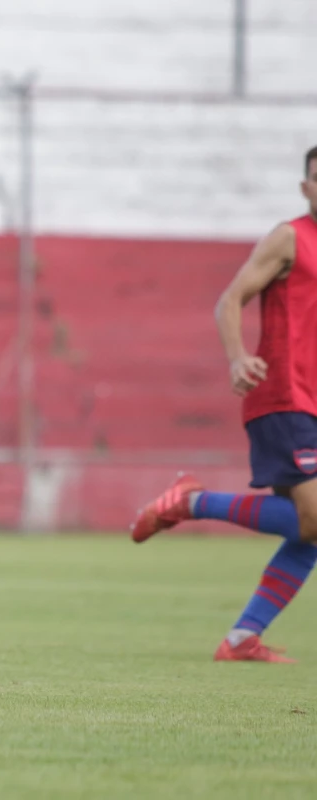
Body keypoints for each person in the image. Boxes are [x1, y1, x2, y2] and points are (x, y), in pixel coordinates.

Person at [130, 145, 317, 663]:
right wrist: (237, 358)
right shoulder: (290, 239)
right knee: (315, 520)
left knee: (310, 531)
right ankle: (192, 502)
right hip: (284, 393)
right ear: (305, 187)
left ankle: (241, 639)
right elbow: (230, 299)